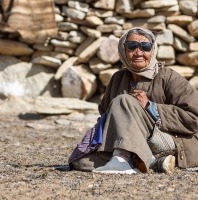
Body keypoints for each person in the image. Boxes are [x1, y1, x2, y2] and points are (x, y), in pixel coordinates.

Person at [68, 27, 198, 174]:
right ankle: (152, 163)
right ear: (123, 49)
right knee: (81, 161)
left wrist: (151, 107)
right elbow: (106, 117)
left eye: (145, 47)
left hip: (169, 140)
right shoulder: (117, 79)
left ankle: (123, 160)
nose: (138, 53)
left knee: (123, 101)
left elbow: (194, 118)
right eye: (132, 46)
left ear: (153, 50)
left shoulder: (169, 77)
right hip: (131, 143)